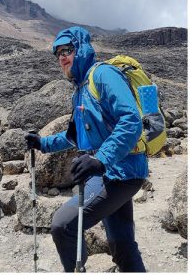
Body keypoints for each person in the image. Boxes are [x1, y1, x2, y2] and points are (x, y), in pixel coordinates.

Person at [25, 26, 147, 272]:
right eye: (57, 53)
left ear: (81, 50)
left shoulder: (103, 75)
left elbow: (131, 120)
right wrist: (42, 143)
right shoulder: (80, 90)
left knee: (63, 225)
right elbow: (75, 136)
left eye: (67, 50)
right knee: (121, 243)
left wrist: (101, 159)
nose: (62, 57)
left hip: (121, 174)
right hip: (108, 172)